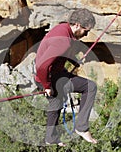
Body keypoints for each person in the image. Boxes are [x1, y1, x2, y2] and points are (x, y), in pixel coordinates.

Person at [34, 8, 98, 146]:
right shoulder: (64, 41)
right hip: (48, 77)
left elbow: (59, 53)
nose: (86, 35)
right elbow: (41, 66)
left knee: (56, 103)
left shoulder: (62, 28)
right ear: (77, 25)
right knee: (90, 87)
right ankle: (82, 128)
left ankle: (50, 138)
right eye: (86, 31)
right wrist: (47, 86)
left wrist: (74, 61)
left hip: (51, 74)